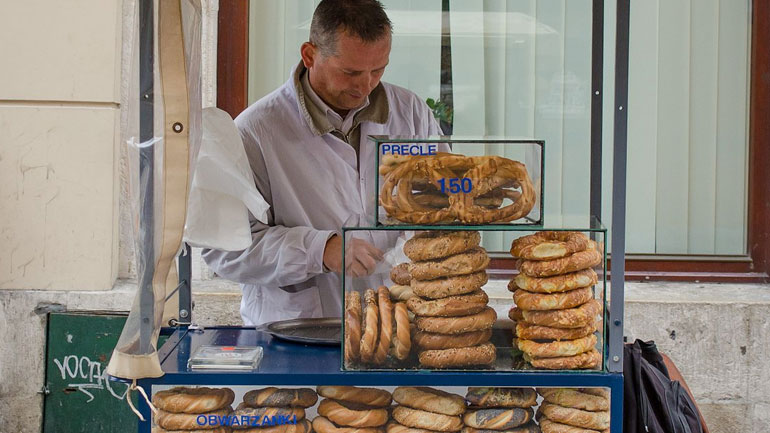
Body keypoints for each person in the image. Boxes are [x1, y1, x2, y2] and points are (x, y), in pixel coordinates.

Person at [202, 0, 442, 326]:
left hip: (397, 321)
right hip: (296, 329)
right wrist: (320, 251)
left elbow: (445, 200)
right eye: (351, 72)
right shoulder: (255, 132)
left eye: (378, 69)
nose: (365, 85)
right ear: (309, 55)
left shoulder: (411, 113)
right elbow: (224, 251)